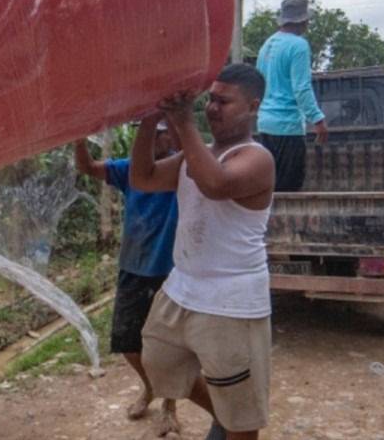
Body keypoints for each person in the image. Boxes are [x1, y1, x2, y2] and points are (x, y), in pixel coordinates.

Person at [129, 63, 276, 440]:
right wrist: (150, 119)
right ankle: (221, 415)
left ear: (253, 107)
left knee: (241, 409)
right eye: (210, 99)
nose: (211, 107)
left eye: (224, 102)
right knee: (158, 361)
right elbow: (142, 178)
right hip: (183, 289)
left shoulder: (257, 158)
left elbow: (214, 184)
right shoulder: (196, 156)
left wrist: (182, 122)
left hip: (232, 302)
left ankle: (230, 421)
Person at [72, 122, 179, 432]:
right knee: (127, 342)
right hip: (133, 267)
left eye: (160, 132)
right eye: (148, 131)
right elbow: (87, 167)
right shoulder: (130, 168)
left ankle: (170, 405)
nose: (153, 138)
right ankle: (150, 386)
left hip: (171, 272)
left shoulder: (183, 167)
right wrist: (78, 139)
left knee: (170, 345)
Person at [255, 0, 329, 191]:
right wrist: (317, 119)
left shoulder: (267, 45)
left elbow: (259, 83)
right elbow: (301, 88)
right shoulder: (298, 46)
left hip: (265, 124)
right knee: (289, 190)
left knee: (269, 188)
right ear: (303, 21)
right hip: (287, 127)